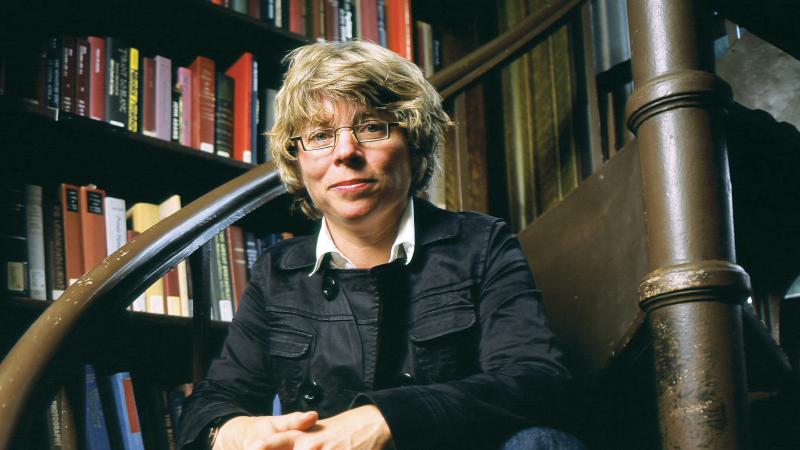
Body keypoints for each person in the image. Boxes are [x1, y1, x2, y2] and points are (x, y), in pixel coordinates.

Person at [178, 40, 583, 450]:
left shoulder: (481, 243)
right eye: (319, 135)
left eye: (372, 127)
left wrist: (385, 418)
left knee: (542, 443)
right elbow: (212, 402)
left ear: (414, 143)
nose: (346, 152)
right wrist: (233, 430)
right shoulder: (277, 271)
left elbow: (535, 379)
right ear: (298, 161)